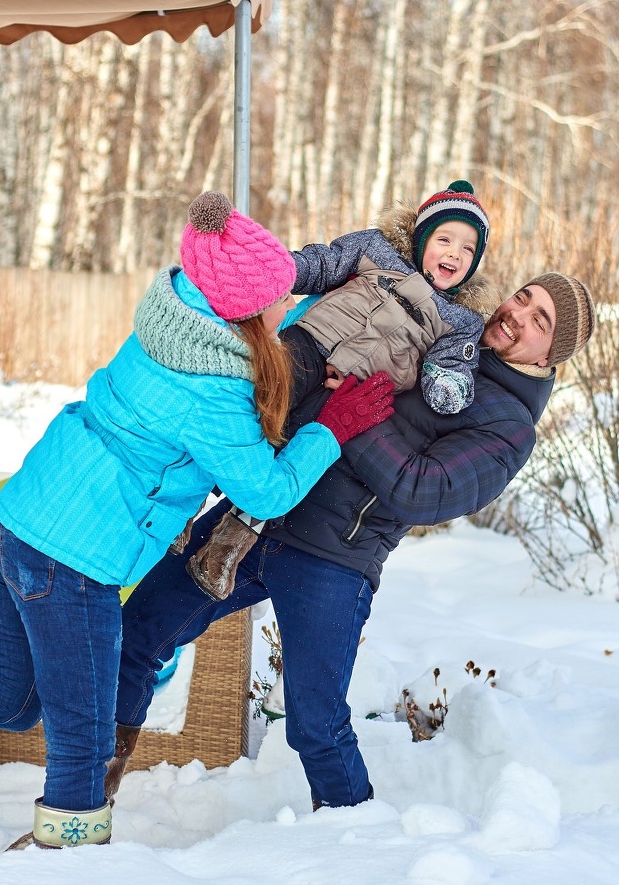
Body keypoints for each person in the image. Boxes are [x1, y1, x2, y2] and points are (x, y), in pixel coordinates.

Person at [0, 191, 396, 850]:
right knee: (83, 746)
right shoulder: (210, 391)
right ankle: (65, 868)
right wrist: (333, 425)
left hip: (19, 520)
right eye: (279, 296)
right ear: (242, 310)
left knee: (11, 702)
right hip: (72, 562)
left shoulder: (176, 318)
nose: (288, 303)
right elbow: (269, 493)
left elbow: (242, 365)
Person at [108, 272, 596, 811]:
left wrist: (348, 415)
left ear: (552, 352)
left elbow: (421, 490)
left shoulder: (509, 426)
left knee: (315, 724)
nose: (518, 315)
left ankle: (354, 839)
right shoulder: (441, 331)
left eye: (539, 321)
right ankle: (87, 800)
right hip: (256, 517)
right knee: (136, 636)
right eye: (523, 298)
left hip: (333, 559)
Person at [185, 180, 499, 598]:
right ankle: (184, 504)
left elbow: (450, 368)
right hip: (308, 345)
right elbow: (324, 264)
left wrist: (448, 384)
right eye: (444, 239)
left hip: (348, 392)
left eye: (467, 248)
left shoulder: (461, 321)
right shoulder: (378, 249)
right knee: (252, 412)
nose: (454, 253)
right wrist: (279, 270)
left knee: (300, 455)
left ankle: (227, 545)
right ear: (422, 238)